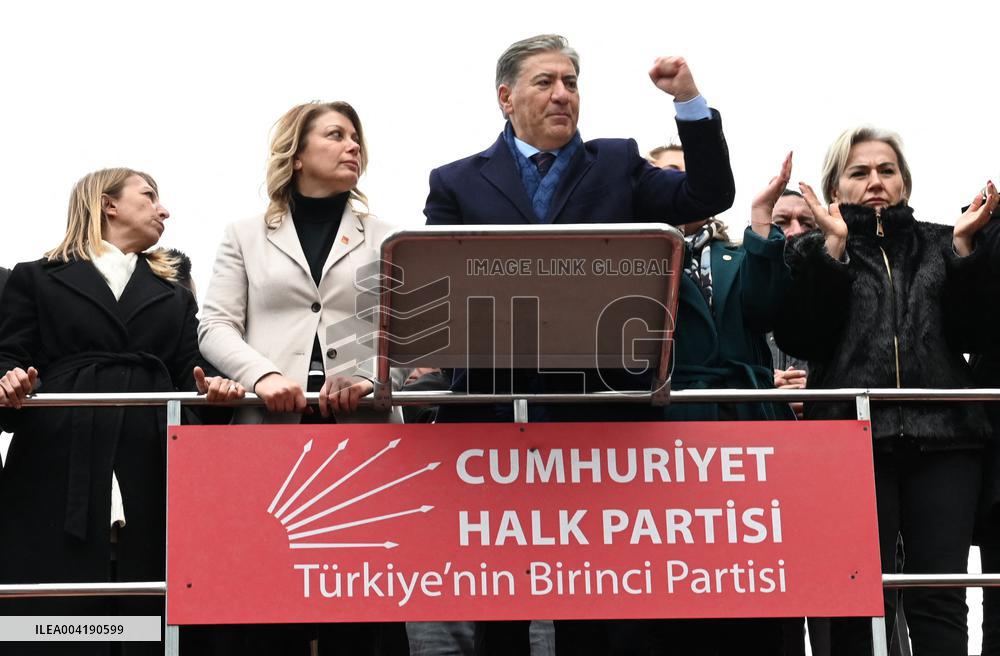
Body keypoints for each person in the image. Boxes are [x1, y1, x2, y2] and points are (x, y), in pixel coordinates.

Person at [421, 33, 735, 656]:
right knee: (502, 595)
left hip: (602, 415)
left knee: (598, 596)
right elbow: (440, 289)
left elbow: (707, 196)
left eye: (571, 82)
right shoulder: (455, 182)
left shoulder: (617, 163)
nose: (563, 94)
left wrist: (689, 101)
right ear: (506, 98)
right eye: (545, 82)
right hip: (496, 417)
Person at [0, 168, 244, 656]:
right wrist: (9, 380)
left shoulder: (175, 295)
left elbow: (191, 371)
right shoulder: (35, 277)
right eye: (149, 196)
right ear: (108, 205)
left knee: (148, 601)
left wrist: (214, 388)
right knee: (51, 608)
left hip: (149, 451)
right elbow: (9, 355)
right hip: (58, 451)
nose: (163, 210)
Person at [775, 126, 999, 655]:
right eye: (860, 172)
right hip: (848, 443)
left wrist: (965, 254)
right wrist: (832, 252)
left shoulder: (946, 241)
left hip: (947, 441)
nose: (875, 181)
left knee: (940, 598)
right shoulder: (809, 250)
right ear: (837, 186)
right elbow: (801, 337)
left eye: (886, 170)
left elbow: (977, 334)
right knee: (857, 599)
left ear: (904, 182)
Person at [196, 101, 405, 655]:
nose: (352, 145)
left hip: (362, 434)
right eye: (335, 135)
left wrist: (368, 377)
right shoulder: (243, 234)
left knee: (362, 603)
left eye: (356, 137)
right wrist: (262, 374)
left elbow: (416, 333)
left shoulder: (390, 237)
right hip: (269, 430)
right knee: (268, 595)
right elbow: (215, 325)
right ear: (296, 154)